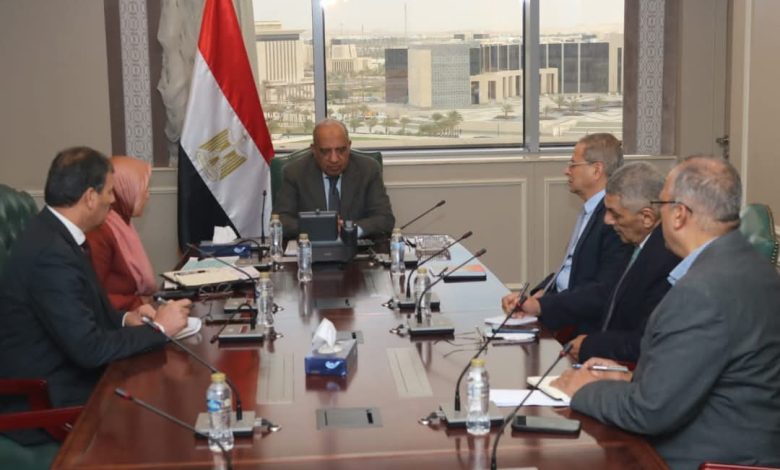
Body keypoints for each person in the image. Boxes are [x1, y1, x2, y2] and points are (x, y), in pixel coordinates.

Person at [552, 156, 780, 469]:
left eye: (661, 204)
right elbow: (704, 373)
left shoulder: (702, 291)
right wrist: (629, 377)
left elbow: (649, 411)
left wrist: (584, 388)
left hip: (701, 458)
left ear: (679, 215)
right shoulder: (751, 265)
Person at [0, 147, 191, 445]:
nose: (113, 201)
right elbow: (89, 349)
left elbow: (80, 314)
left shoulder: (56, 234)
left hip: (71, 377)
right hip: (50, 403)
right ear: (90, 197)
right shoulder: (51, 254)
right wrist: (160, 329)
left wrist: (127, 319)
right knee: (170, 414)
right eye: (110, 192)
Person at [502, 133, 632, 336]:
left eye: (573, 164)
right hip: (560, 309)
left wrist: (541, 306)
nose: (566, 170)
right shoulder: (590, 211)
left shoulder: (613, 220)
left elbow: (602, 292)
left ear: (596, 170)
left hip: (581, 327)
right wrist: (538, 294)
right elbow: (568, 269)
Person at [568, 162, 680, 363]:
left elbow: (646, 341)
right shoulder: (635, 244)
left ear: (647, 217)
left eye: (615, 214)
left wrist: (590, 345)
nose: (607, 220)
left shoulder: (665, 260)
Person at [274, 118, 395, 238]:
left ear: (349, 146)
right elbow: (280, 221)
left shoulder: (368, 170)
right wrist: (319, 227)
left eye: (341, 150)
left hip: (356, 246)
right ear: (314, 150)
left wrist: (351, 229)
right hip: (311, 247)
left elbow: (385, 219)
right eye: (325, 151)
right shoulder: (295, 173)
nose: (334, 159)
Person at [87, 156, 156, 311]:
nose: (147, 195)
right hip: (122, 318)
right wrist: (138, 303)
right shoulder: (100, 231)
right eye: (143, 189)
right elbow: (95, 297)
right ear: (125, 189)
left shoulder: (123, 223)